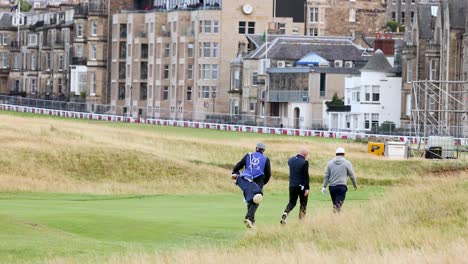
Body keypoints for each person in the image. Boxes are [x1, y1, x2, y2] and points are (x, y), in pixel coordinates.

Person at [232, 142, 271, 228]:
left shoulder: (248, 155)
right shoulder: (266, 159)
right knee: (257, 198)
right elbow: (268, 175)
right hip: (259, 180)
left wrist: (235, 173)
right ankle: (249, 218)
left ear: (256, 148)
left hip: (247, 179)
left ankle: (251, 222)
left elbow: (238, 165)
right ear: (263, 150)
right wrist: (263, 183)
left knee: (251, 199)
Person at [322, 147, 357, 212]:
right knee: (338, 206)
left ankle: (335, 219)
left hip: (332, 187)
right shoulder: (347, 163)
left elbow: (327, 175)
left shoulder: (330, 163)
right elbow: (352, 175)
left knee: (335, 204)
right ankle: (336, 218)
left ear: (336, 154)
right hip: (341, 187)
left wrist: (324, 186)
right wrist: (355, 184)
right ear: (344, 154)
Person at [280, 148, 310, 225]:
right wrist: (307, 188)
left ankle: (286, 212)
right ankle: (301, 221)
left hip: (292, 185)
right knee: (303, 203)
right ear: (305, 155)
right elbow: (306, 176)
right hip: (301, 186)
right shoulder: (305, 162)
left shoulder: (291, 160)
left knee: (292, 202)